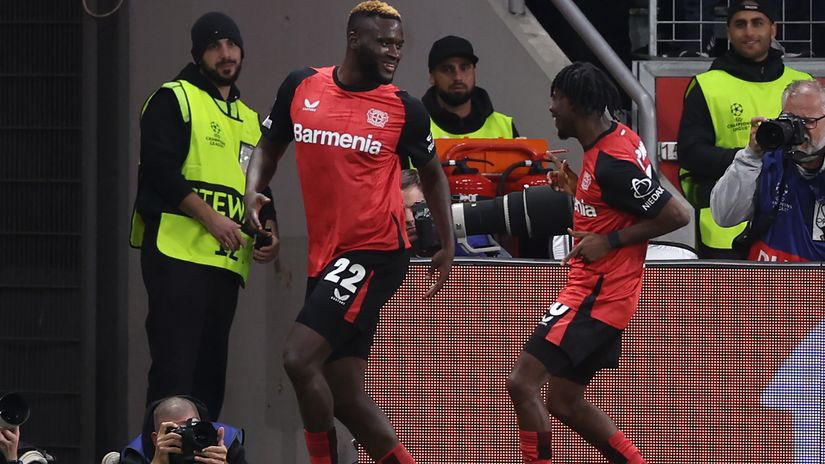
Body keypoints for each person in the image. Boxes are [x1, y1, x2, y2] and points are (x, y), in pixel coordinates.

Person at [243, 2, 454, 463]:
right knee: (345, 393)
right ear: (355, 40)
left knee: (299, 359)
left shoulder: (404, 108)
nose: (394, 53)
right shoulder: (301, 86)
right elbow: (267, 147)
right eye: (384, 43)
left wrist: (446, 244)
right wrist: (252, 190)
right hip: (327, 255)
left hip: (376, 251)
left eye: (399, 45)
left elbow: (433, 174)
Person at [507, 62, 690, 463]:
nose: (551, 108)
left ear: (572, 102)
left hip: (596, 296)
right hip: (606, 294)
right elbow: (620, 203)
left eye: (555, 98)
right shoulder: (614, 141)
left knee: (522, 383)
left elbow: (676, 215)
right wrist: (578, 189)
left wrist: (608, 241)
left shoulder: (612, 161)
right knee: (565, 401)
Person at [128, 11, 279, 419]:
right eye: (214, 46)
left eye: (231, 44)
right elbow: (159, 173)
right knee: (173, 376)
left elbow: (259, 188)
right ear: (198, 55)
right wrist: (211, 219)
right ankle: (161, 456)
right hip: (178, 256)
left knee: (210, 378)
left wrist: (269, 231)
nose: (225, 53)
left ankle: (205, 457)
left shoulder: (250, 118)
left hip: (225, 264)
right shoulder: (174, 97)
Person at [677, 0, 811, 259]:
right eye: (740, 24)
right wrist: (753, 155)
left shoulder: (802, 84)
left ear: (774, 29)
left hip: (793, 229)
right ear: (728, 32)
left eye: (757, 23)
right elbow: (691, 153)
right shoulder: (707, 85)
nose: (749, 32)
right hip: (724, 232)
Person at [711, 79, 825, 262]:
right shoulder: (766, 160)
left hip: (815, 285)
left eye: (808, 121)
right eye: (791, 120)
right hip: (765, 283)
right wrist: (749, 157)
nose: (798, 130)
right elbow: (724, 216)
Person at [422, 35, 518, 142]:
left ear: (474, 71)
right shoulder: (416, 126)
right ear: (432, 77)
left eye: (464, 67)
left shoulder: (504, 126)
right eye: (447, 69)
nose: (457, 77)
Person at [120, 395, 246, 464]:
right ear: (156, 438)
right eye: (177, 432)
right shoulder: (138, 454)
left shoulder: (226, 442)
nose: (187, 437)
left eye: (192, 428)